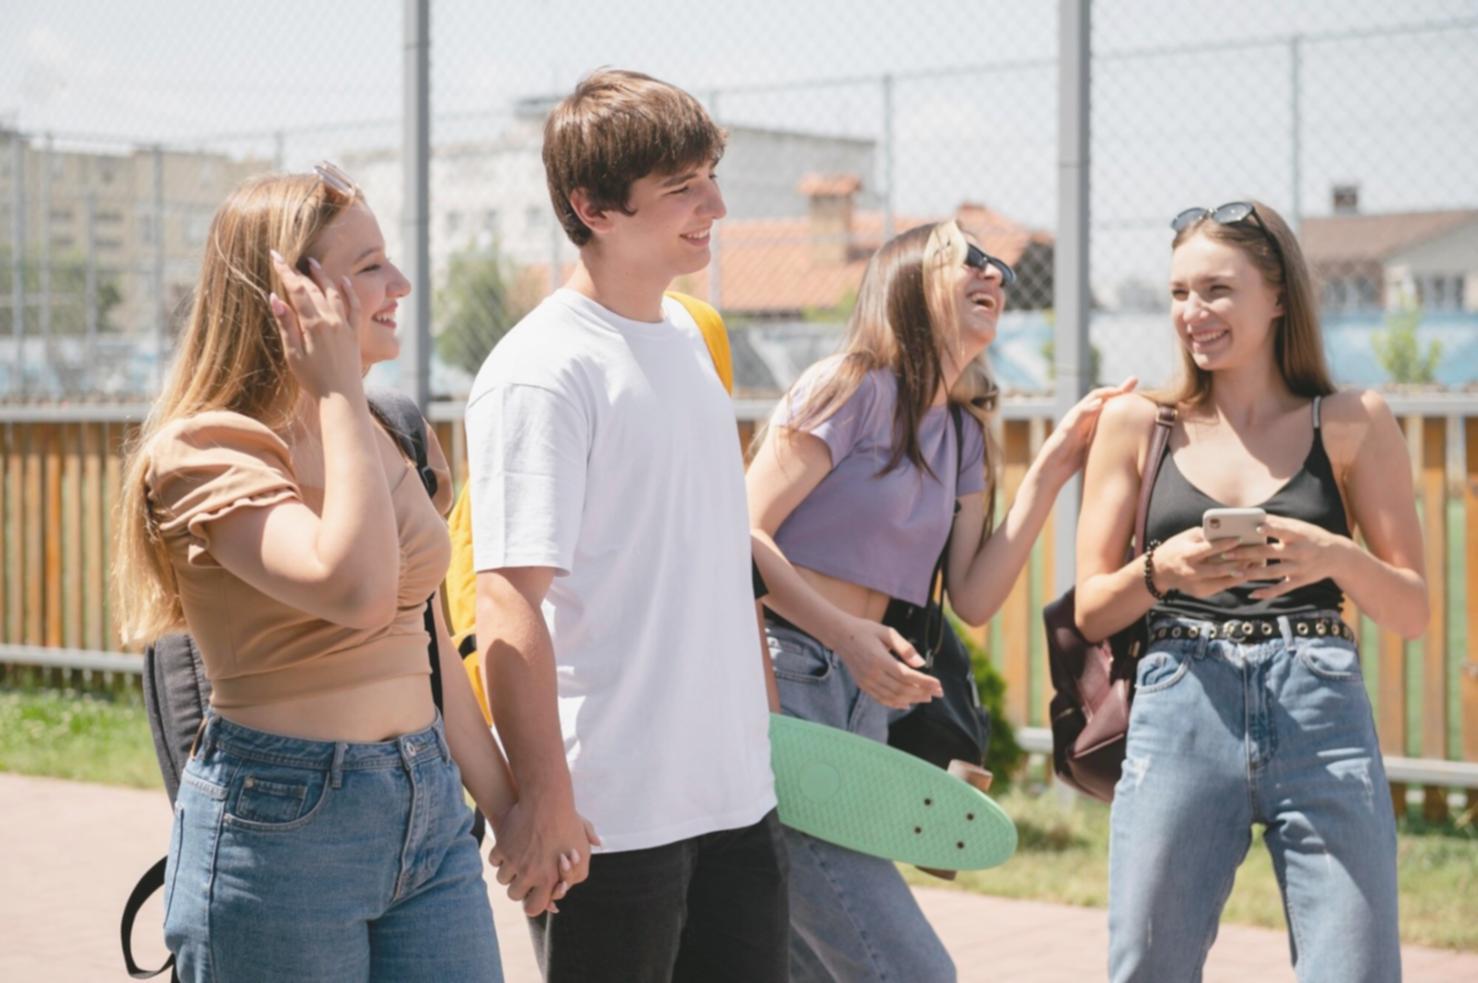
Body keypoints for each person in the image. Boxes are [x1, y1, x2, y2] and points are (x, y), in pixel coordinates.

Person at [114, 164, 517, 983]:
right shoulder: (205, 450)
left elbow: (429, 647)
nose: (399, 282)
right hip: (281, 823)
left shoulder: (381, 432)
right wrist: (333, 393)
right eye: (369, 267)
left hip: (428, 808)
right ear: (287, 292)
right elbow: (358, 591)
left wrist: (514, 811)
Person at [746, 217, 1133, 982]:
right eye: (970, 260)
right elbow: (741, 532)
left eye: (997, 265)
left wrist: (1051, 469)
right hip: (782, 676)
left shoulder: (957, 432)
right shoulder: (851, 384)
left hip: (862, 699)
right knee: (909, 967)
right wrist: (845, 635)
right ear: (910, 282)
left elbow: (976, 593)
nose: (993, 273)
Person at [464, 69, 786, 982]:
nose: (715, 204)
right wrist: (547, 802)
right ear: (592, 207)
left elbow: (718, 559)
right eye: (683, 187)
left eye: (711, 175)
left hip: (735, 804)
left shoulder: (687, 336)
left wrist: (761, 745)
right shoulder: (543, 369)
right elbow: (506, 600)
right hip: (613, 821)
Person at [1075, 200, 1427, 982]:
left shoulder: (1352, 420)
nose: (1192, 314)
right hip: (1179, 703)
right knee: (1146, 966)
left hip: (1321, 708)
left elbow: (1411, 607)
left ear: (1277, 296)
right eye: (1177, 293)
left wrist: (1330, 553)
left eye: (1216, 290)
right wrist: (1165, 569)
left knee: (1356, 970)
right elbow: (1091, 607)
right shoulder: (1140, 423)